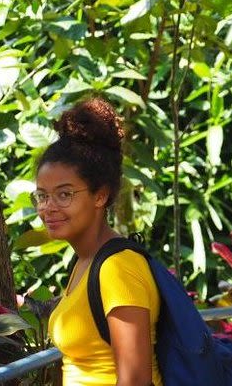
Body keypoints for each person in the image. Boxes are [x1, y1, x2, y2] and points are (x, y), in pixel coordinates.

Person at [33, 97, 161, 386]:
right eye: (42, 196)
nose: (48, 207)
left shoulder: (118, 269)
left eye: (64, 194)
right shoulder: (85, 261)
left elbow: (135, 381)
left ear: (100, 195)